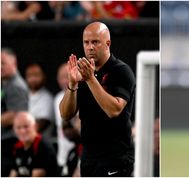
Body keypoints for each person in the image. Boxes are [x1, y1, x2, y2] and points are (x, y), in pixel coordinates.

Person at [59, 21, 135, 176]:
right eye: (86, 43)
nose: (90, 47)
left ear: (107, 43)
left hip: (115, 156)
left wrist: (91, 80)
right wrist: (72, 84)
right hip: (89, 156)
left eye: (95, 42)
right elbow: (65, 114)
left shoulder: (121, 71)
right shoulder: (82, 73)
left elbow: (114, 110)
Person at [1, 47, 29, 177]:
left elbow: (15, 115)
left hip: (10, 143)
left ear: (14, 63)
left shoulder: (16, 86)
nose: (0, 67)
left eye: (3, 63)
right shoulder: (5, 83)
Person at [9, 112, 58, 177]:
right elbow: (13, 172)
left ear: (35, 126)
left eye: (26, 126)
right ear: (14, 129)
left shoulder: (42, 146)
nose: (22, 131)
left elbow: (37, 175)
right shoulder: (17, 146)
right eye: (18, 127)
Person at [53, 63, 77, 174]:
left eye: (67, 76)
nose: (64, 81)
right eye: (61, 77)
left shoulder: (82, 96)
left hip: (80, 155)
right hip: (62, 158)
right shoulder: (57, 98)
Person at [25, 63, 54, 140]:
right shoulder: (24, 95)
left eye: (36, 75)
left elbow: (41, 124)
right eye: (29, 76)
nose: (33, 79)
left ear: (44, 76)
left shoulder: (47, 98)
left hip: (40, 144)